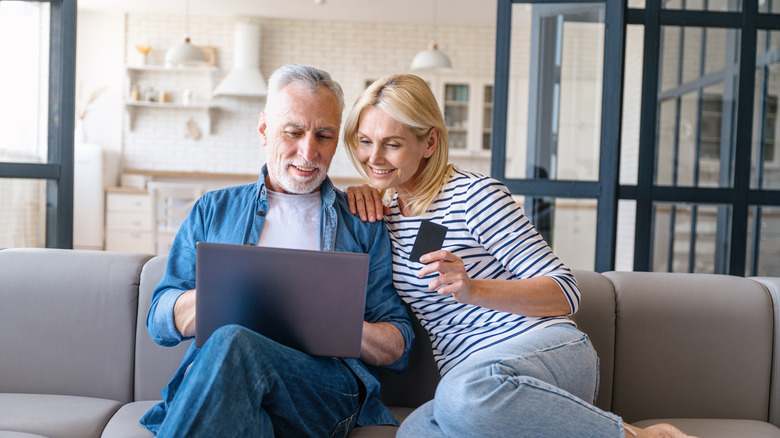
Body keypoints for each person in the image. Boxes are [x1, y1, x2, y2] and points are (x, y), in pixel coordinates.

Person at [343, 74, 692, 438]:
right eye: (365, 141)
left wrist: (474, 288)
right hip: (473, 386)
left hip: (542, 353)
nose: (374, 157)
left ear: (429, 141)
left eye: (392, 144)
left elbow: (565, 293)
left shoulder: (474, 195)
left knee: (463, 394)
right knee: (414, 432)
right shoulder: (384, 214)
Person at [139, 65, 414, 438]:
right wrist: (221, 299)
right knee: (242, 392)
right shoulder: (213, 210)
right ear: (264, 130)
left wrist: (326, 319)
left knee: (235, 343)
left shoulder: (361, 219)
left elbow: (398, 344)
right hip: (227, 379)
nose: (309, 151)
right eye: (294, 132)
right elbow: (159, 320)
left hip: (324, 389)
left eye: (324, 135)